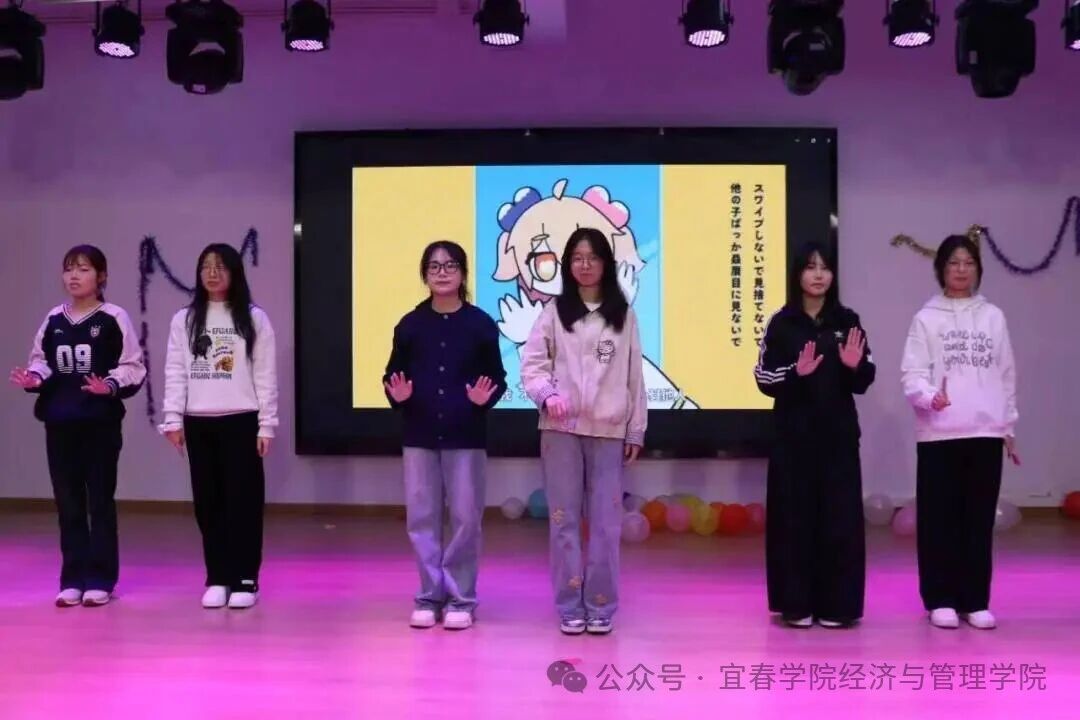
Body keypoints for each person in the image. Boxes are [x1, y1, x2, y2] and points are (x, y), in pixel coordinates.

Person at [520, 227, 647, 635]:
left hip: (609, 432)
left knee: (606, 526)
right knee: (564, 522)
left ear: (606, 263)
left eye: (593, 257)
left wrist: (635, 430)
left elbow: (634, 377)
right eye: (577, 258)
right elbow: (532, 366)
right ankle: (569, 605)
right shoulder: (554, 313)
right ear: (567, 265)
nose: (585, 265)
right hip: (560, 431)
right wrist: (548, 395)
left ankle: (600, 605)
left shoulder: (623, 315)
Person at [10, 245, 145, 607]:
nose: (74, 276)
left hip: (99, 424)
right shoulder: (54, 319)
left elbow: (133, 366)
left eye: (83, 269)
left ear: (101, 277)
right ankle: (72, 579)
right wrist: (34, 378)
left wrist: (109, 385)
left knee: (99, 501)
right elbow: (42, 361)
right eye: (69, 269)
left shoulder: (113, 317)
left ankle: (100, 579)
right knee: (68, 503)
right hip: (60, 424)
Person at [383, 240, 507, 630]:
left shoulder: (480, 324)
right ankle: (428, 596)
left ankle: (461, 600)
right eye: (434, 266)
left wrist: (485, 398)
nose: (442, 272)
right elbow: (392, 376)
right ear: (425, 274)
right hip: (419, 433)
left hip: (465, 434)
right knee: (422, 518)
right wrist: (397, 394)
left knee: (466, 519)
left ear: (463, 273)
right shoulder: (410, 324)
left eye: (450, 265)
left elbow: (497, 377)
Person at [754, 241, 875, 628]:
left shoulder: (848, 320)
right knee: (793, 521)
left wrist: (855, 366)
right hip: (793, 440)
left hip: (838, 439)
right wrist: (795, 373)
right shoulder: (782, 322)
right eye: (810, 267)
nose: (818, 275)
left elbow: (865, 377)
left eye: (825, 267)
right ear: (798, 274)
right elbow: (763, 377)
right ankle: (797, 605)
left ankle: (838, 606)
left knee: (840, 521)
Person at [901, 235, 1018, 630]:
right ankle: (940, 599)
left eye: (969, 262)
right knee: (939, 519)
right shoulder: (926, 318)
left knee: (978, 519)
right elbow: (912, 373)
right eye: (954, 262)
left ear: (978, 269)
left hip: (985, 432)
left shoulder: (993, 316)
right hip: (939, 434)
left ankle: (975, 600)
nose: (962, 269)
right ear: (941, 269)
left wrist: (1007, 424)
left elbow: (1006, 374)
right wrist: (930, 397)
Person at [161, 243, 278, 610]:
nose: (212, 274)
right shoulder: (184, 319)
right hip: (198, 422)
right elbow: (175, 371)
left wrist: (267, 424)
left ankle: (245, 578)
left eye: (220, 267)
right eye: (206, 267)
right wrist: (172, 418)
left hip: (241, 420)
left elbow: (265, 374)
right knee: (208, 504)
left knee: (243, 502)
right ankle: (217, 577)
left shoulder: (254, 318)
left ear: (234, 273)